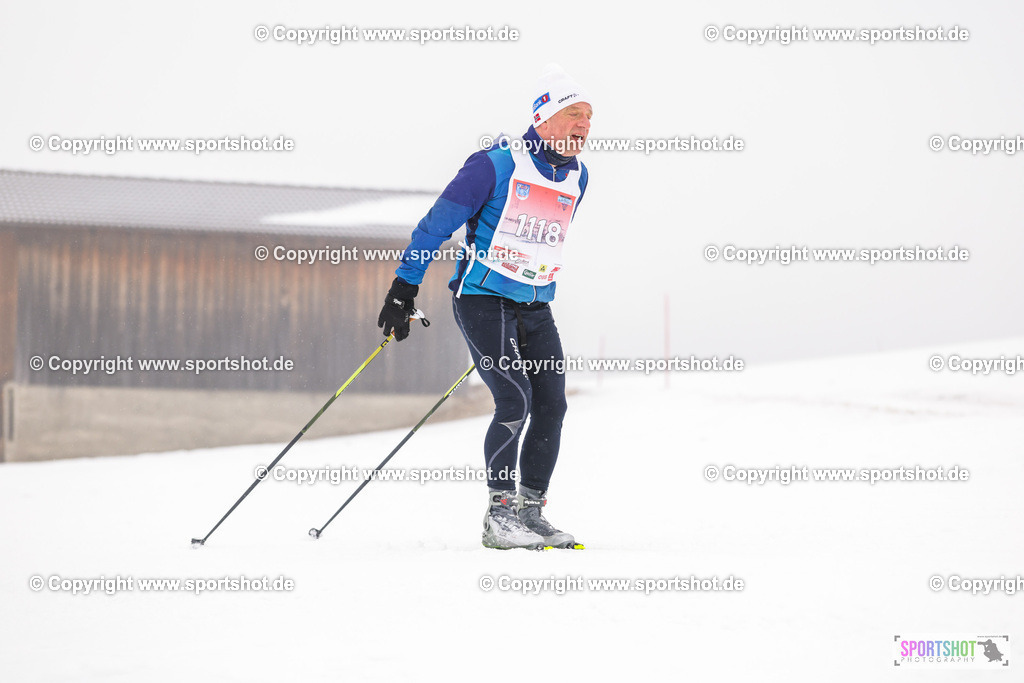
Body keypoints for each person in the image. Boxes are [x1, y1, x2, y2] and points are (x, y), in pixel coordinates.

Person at [377, 64, 591, 550]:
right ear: (543, 119)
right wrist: (402, 288)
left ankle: (532, 512)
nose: (584, 125)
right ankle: (499, 516)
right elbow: (437, 223)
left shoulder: (578, 177)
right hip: (482, 301)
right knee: (514, 399)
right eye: (574, 113)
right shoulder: (494, 163)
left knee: (552, 404)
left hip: (535, 306)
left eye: (590, 118)